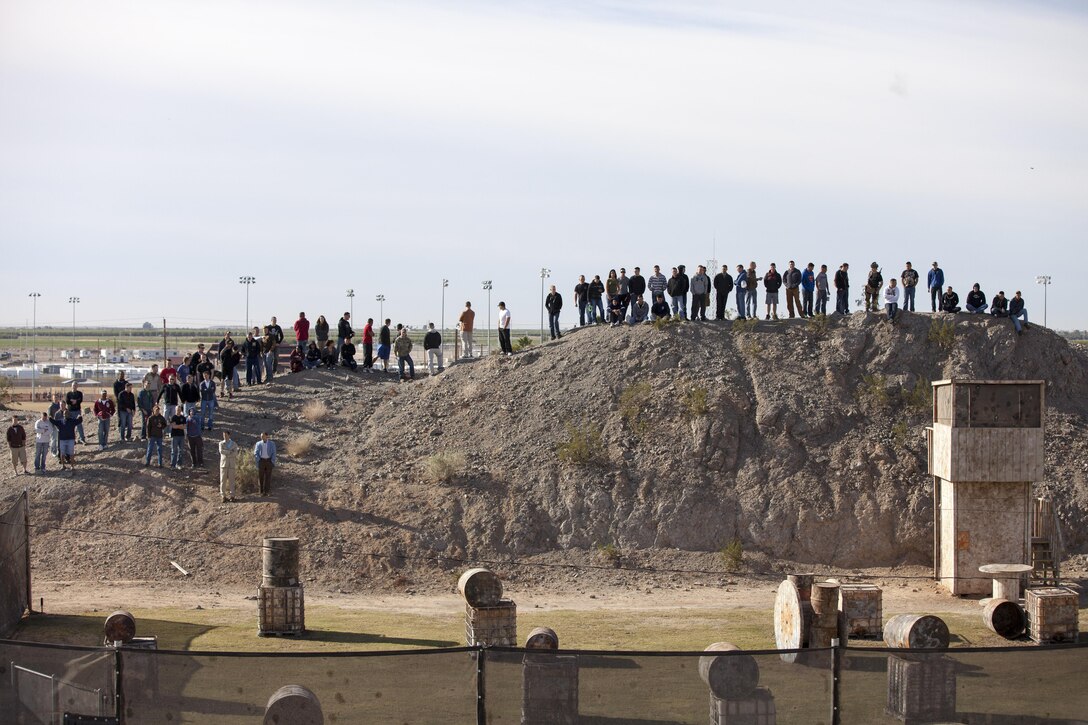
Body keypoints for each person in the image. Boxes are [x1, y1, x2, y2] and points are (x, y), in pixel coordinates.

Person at [219, 430, 239, 502]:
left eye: (226, 435)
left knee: (232, 481)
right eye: (223, 435)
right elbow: (221, 451)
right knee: (222, 481)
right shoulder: (221, 443)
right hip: (223, 464)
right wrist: (230, 452)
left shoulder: (234, 444)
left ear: (229, 435)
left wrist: (227, 452)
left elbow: (235, 453)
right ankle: (223, 496)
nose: (225, 437)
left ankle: (232, 496)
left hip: (231, 464)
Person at [48, 392, 62, 456]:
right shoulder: (51, 407)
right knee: (54, 438)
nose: (56, 399)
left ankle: (60, 451)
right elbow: (49, 416)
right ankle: (53, 451)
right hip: (54, 425)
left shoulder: (61, 405)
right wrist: (53, 424)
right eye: (54, 398)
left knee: (60, 438)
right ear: (52, 399)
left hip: (61, 425)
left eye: (57, 397)